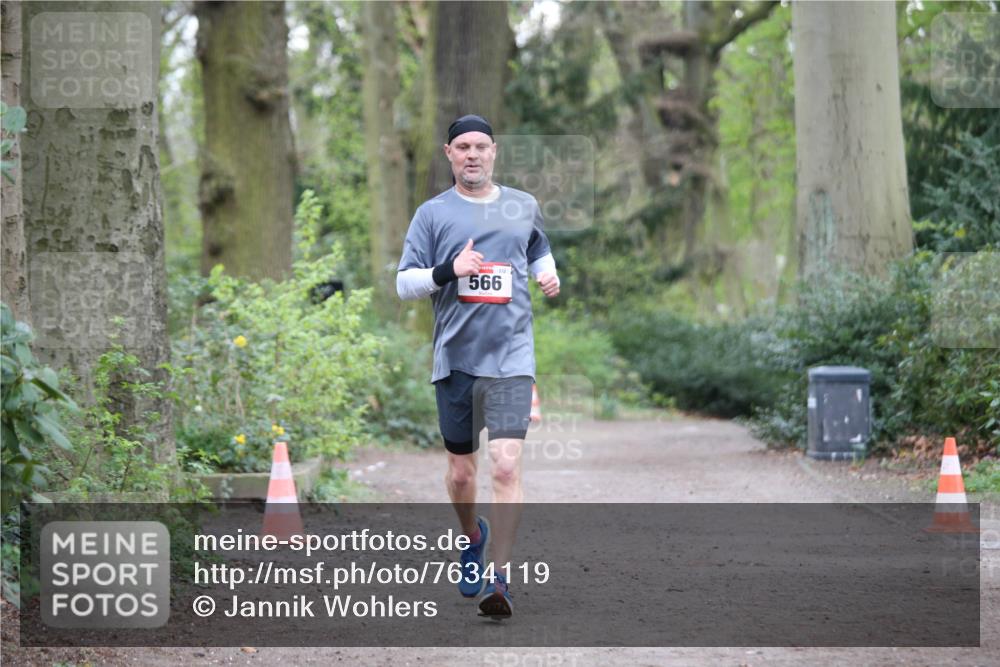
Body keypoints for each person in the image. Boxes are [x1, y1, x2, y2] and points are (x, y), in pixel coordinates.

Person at [396, 114, 560, 618]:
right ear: (449, 153)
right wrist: (451, 270)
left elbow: (535, 244)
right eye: (462, 146)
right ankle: (472, 536)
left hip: (512, 357)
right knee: (462, 476)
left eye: (481, 146)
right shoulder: (432, 215)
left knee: (506, 465)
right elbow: (404, 284)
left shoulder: (521, 205)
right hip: (456, 361)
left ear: (494, 152)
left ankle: (500, 578)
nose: (472, 154)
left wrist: (546, 273)